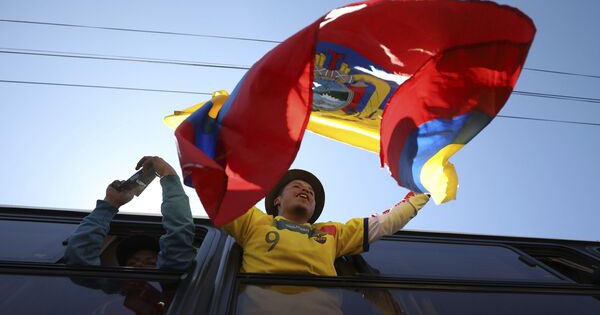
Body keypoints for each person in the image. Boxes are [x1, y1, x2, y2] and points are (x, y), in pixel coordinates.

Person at [222, 169, 430, 276]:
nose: (305, 191)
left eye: (310, 192)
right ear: (277, 200)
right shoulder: (252, 221)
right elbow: (216, 188)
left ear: (314, 208)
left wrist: (425, 190)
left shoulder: (332, 232)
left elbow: (386, 222)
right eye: (297, 186)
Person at [64, 156, 196, 270]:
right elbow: (78, 257)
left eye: (150, 262)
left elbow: (179, 235)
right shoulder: (112, 291)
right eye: (131, 263)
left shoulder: (166, 284)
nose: (139, 265)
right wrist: (111, 201)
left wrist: (169, 176)